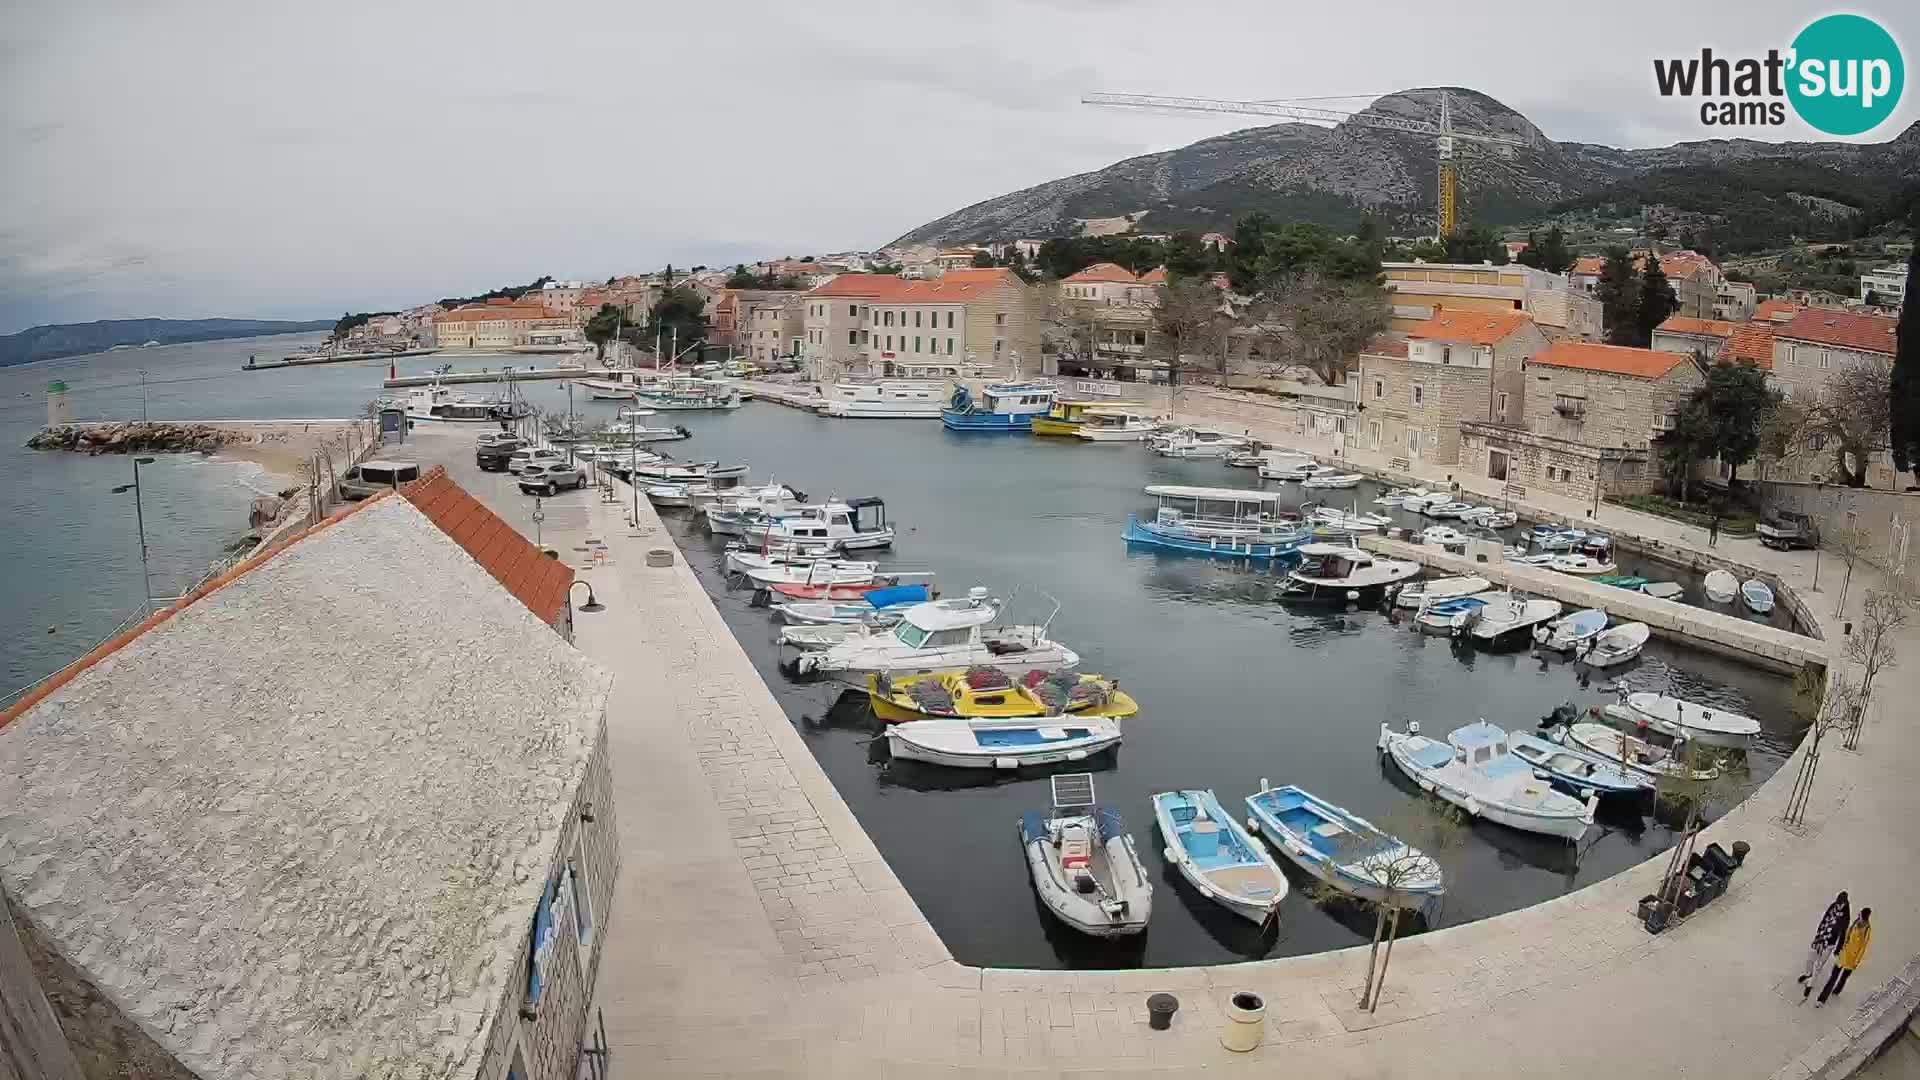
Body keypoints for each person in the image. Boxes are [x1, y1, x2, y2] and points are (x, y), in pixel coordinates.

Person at [1815, 908, 1872, 1007]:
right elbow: (1847, 935)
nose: (1859, 916)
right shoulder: (1855, 922)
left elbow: (1863, 947)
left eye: (1861, 915)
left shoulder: (1867, 930)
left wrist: (1856, 962)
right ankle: (1822, 999)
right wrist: (1840, 948)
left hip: (1852, 959)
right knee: (1833, 976)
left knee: (1844, 977)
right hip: (1844, 954)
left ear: (1864, 917)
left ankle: (1837, 990)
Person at [1799, 891, 1849, 995]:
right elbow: (1824, 919)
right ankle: (1808, 974)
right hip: (1821, 938)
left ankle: (1810, 985)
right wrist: (1818, 934)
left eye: (1840, 904)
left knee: (1819, 965)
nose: (1838, 906)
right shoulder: (1833, 906)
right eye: (1837, 903)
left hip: (1829, 943)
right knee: (1810, 957)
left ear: (1844, 904)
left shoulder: (1845, 917)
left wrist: (1838, 949)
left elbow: (1843, 934)